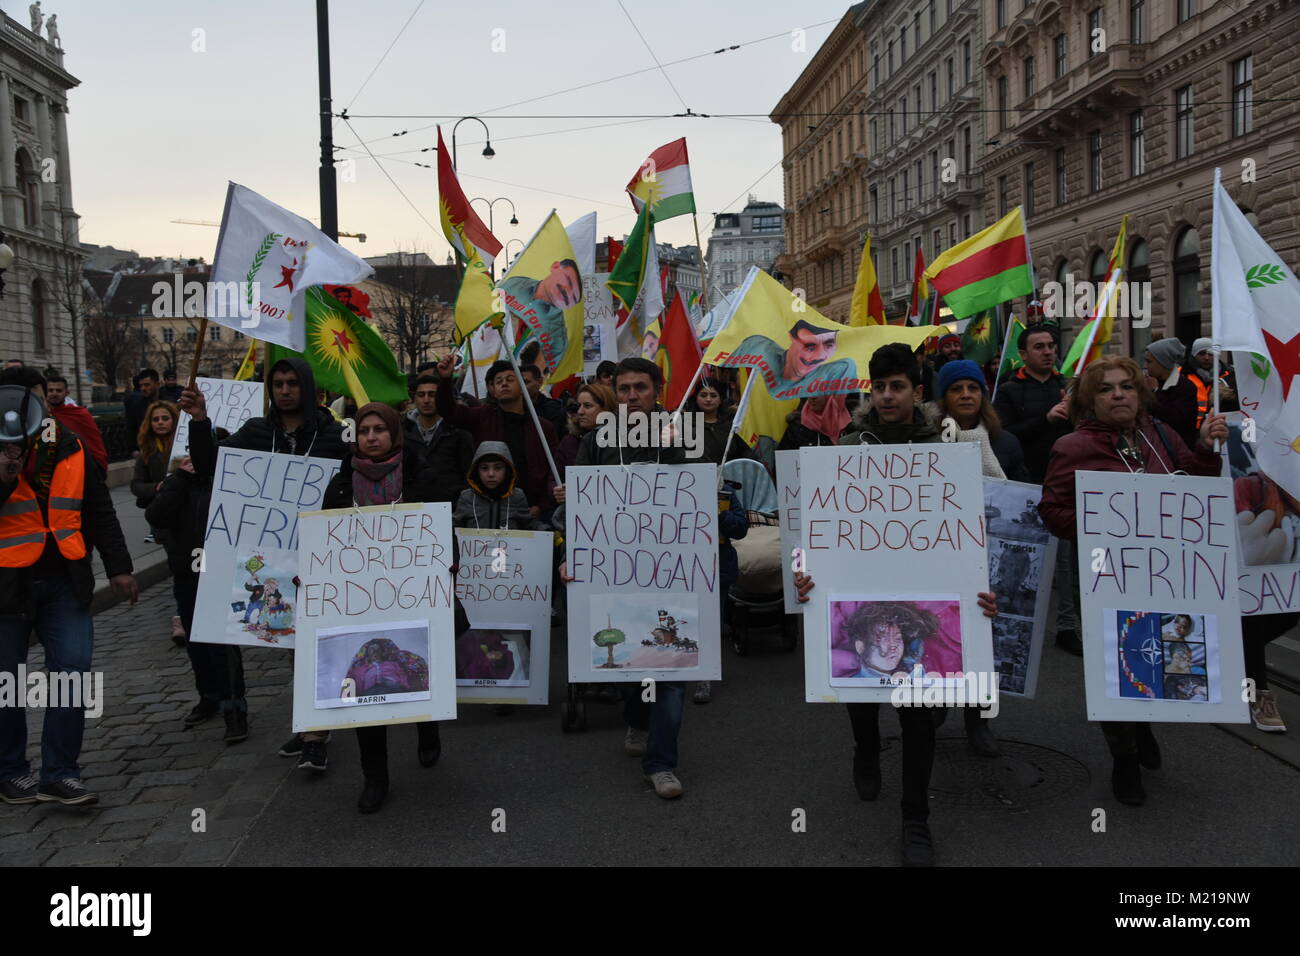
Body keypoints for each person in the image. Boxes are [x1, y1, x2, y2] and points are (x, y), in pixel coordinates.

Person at [827, 343, 1000, 864]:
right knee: (860, 686)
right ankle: (864, 746)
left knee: (919, 714)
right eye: (878, 387)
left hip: (924, 589)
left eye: (896, 386)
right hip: (860, 583)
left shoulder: (944, 448)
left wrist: (983, 583)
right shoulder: (849, 445)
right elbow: (823, 522)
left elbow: (973, 527)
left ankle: (915, 819)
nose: (885, 396)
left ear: (917, 392)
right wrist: (805, 577)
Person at [1037, 355, 1227, 807]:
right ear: (1090, 399)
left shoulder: (1162, 435)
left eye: (1126, 386)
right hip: (1107, 576)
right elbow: (1052, 511)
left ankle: (1143, 726)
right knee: (1115, 663)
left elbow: (1199, 486)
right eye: (1106, 389)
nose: (1118, 394)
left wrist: (1203, 447)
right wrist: (1103, 521)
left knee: (1159, 653)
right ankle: (1123, 756)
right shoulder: (1073, 448)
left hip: (1165, 574)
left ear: (1140, 393)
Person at [179, 356, 348, 772]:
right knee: (291, 643)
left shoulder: (333, 434)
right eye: (278, 384)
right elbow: (209, 466)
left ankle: (314, 737)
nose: (285, 390)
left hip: (321, 556)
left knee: (312, 643)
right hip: (273, 560)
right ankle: (313, 725)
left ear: (306, 388)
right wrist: (200, 421)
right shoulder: (256, 433)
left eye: (292, 383)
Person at [556, 358, 691, 799]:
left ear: (658, 390)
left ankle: (662, 763)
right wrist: (569, 554)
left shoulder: (680, 438)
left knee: (670, 666)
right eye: (625, 389)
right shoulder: (596, 441)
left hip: (671, 574)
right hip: (611, 575)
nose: (632, 397)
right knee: (630, 662)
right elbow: (577, 511)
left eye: (641, 388)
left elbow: (699, 502)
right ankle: (636, 717)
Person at [0, 378, 138, 808]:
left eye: (37, 400)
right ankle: (10, 772)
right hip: (6, 583)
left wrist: (119, 568)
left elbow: (98, 508)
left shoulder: (70, 444)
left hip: (65, 578)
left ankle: (59, 773)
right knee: (8, 682)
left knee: (73, 673)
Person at [321, 402, 451, 813]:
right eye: (364, 430)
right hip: (360, 600)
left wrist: (449, 566)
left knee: (413, 666)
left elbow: (443, 528)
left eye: (380, 429)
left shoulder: (419, 475)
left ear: (394, 434)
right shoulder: (342, 483)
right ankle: (374, 777)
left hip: (414, 593)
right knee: (366, 685)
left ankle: (426, 725)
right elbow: (324, 538)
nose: (371, 437)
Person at [146, 430, 251, 743]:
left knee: (221, 644)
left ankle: (235, 709)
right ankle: (209, 697)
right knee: (195, 640)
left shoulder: (231, 482)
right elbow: (156, 515)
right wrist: (179, 478)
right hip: (188, 570)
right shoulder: (181, 480)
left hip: (220, 570)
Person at [992, 325, 1078, 655]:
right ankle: (1018, 624)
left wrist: (1075, 412)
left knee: (1066, 561)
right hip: (1026, 489)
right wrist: (1046, 418)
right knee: (1023, 561)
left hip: (1065, 486)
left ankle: (1067, 626)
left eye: (1051, 346)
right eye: (1039, 347)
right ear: (1024, 355)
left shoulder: (1066, 387)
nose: (1047, 351)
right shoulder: (1010, 391)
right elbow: (1005, 434)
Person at [435, 355, 558, 518]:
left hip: (531, 508)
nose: (504, 384)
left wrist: (541, 506)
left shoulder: (543, 427)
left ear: (522, 386)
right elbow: (448, 411)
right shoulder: (482, 417)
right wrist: (445, 379)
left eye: (510, 379)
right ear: (492, 390)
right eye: (498, 381)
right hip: (489, 508)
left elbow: (553, 470)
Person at [131, 399, 187, 644]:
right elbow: (136, 485)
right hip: (165, 520)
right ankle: (181, 617)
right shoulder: (147, 451)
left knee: (197, 567)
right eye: (156, 419)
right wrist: (156, 487)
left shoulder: (186, 443)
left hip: (191, 517)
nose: (161, 423)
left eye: (165, 418)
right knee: (178, 568)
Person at [931, 359, 1028, 482]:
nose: (966, 395)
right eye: (956, 389)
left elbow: (1019, 493)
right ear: (944, 397)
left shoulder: (1007, 442)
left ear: (982, 395)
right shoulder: (928, 441)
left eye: (973, 388)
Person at [498, 259, 583, 376]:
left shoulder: (556, 333)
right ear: (555, 267)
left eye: (572, 297)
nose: (566, 291)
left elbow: (545, 374)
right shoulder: (515, 283)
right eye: (568, 280)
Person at [732, 319, 857, 397]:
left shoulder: (842, 368)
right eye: (810, 347)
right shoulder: (758, 347)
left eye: (829, 345)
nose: (820, 356)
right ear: (791, 339)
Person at [403, 373, 474, 502]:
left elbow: (468, 474)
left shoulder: (458, 432)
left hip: (451, 507)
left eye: (432, 395)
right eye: (421, 395)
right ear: (414, 398)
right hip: (413, 510)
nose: (426, 400)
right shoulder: (403, 432)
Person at [454, 442, 547, 531]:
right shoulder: (467, 497)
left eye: (498, 468)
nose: (491, 474)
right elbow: (453, 527)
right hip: (473, 547)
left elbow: (530, 525)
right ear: (476, 471)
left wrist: (549, 532)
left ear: (507, 470)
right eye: (484, 468)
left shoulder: (516, 496)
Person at [1143, 337, 1199, 450]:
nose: (1146, 366)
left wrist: (1154, 392)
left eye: (1149, 361)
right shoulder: (1157, 384)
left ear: (1162, 362)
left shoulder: (1185, 387)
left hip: (1180, 452)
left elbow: (1171, 420)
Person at [44, 374, 108, 474]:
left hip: (81, 467)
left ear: (67, 393)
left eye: (59, 390)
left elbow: (94, 440)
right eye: (50, 390)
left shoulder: (79, 414)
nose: (54, 393)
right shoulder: (43, 415)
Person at [688, 377, 755, 465]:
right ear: (696, 398)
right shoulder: (686, 424)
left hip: (730, 475)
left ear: (721, 399)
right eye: (703, 395)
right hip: (699, 475)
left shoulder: (733, 423)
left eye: (713, 395)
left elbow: (747, 453)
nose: (708, 399)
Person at [557, 382, 615, 474]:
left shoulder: (621, 441)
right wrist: (562, 487)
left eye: (587, 406)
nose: (580, 411)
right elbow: (555, 477)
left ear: (606, 408)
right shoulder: (569, 441)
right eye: (578, 405)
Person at [1189, 338, 1238, 422]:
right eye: (1202, 353)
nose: (1207, 357)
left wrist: (1230, 396)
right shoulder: (1183, 375)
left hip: (1221, 428)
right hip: (1191, 430)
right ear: (1194, 355)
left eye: (1211, 354)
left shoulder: (1230, 374)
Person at [778, 394, 851, 450]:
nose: (812, 397)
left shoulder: (851, 426)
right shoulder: (797, 428)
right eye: (809, 391)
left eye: (820, 391)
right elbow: (786, 462)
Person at [520, 364, 568, 436]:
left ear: (540, 382)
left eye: (526, 382)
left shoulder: (554, 409)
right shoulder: (512, 408)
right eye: (519, 383)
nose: (522, 387)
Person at [124, 369, 160, 447]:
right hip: (145, 448)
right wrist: (134, 449)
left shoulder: (169, 403)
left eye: (147, 385)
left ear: (157, 384)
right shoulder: (136, 405)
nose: (143, 388)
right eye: (141, 385)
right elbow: (131, 428)